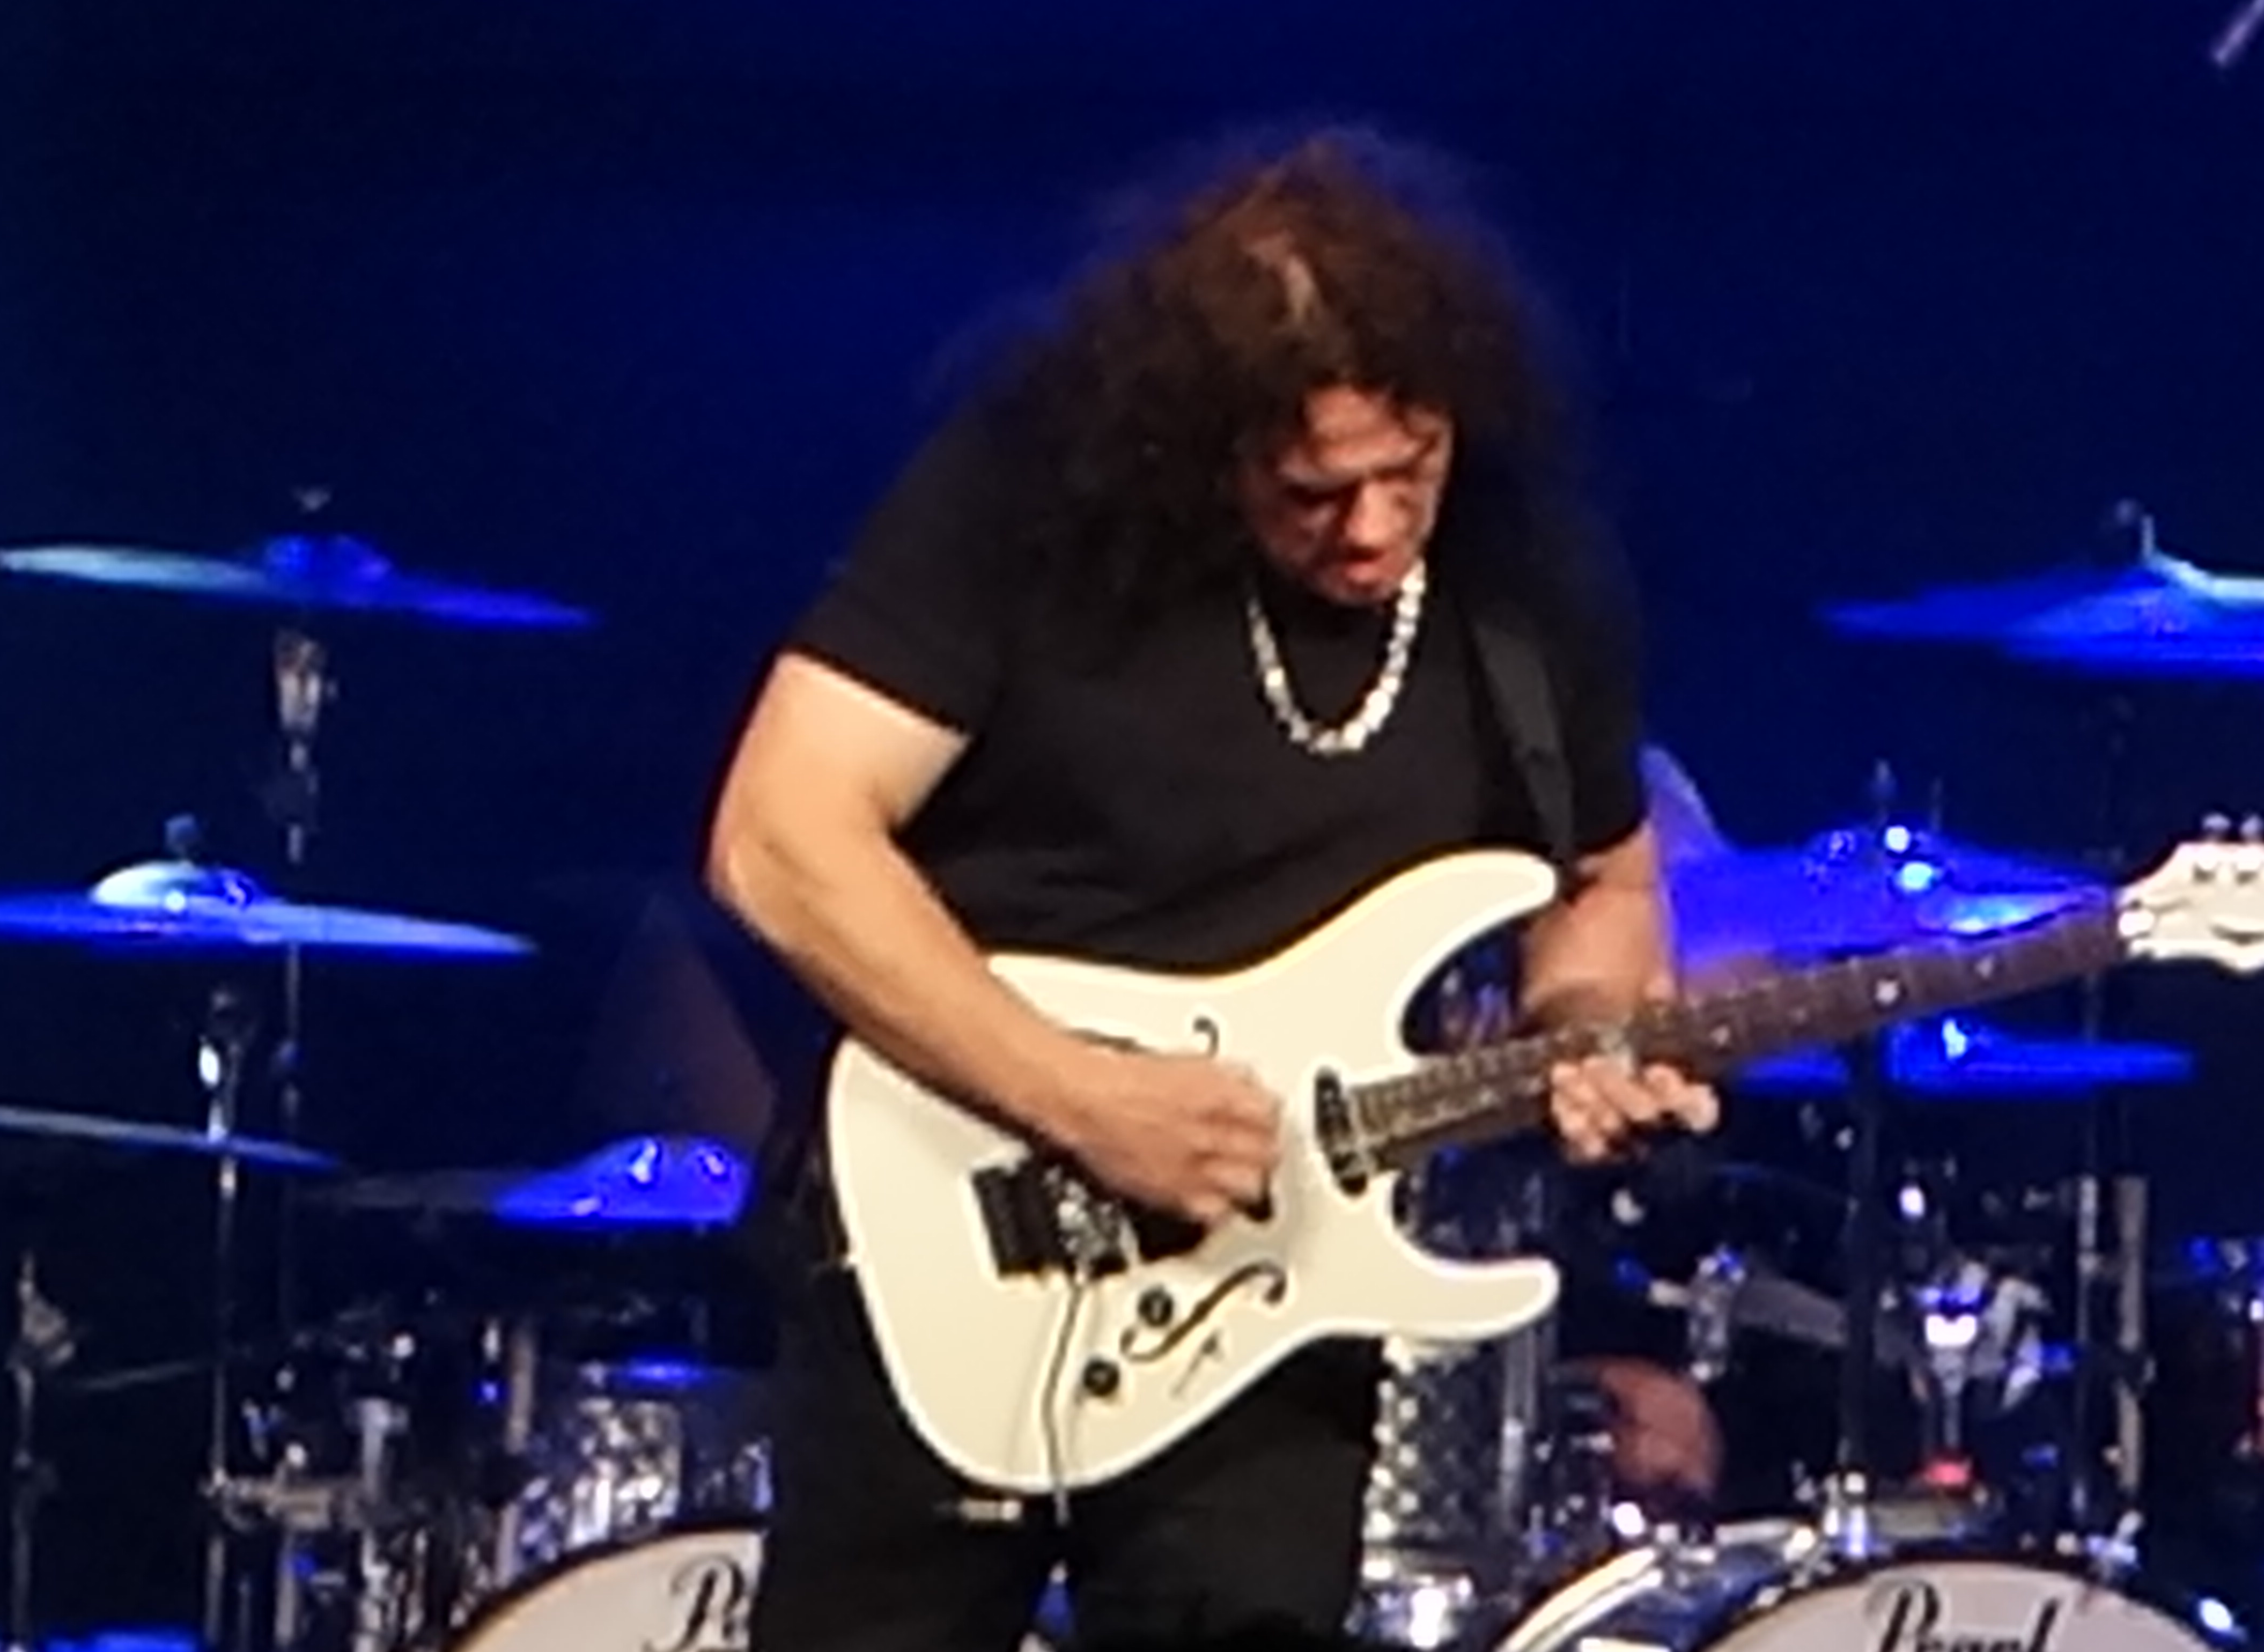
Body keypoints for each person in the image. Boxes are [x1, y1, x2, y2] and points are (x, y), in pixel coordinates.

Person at [705, 123, 1722, 1651]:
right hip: (956, 1213)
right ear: (1206, 444)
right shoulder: (1035, 502)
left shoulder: (1525, 576)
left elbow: (1605, 882)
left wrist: (1582, 1028)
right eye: (1313, 492)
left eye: (1408, 471)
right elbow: (781, 836)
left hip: (1278, 1277)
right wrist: (1080, 1098)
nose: (1372, 529)